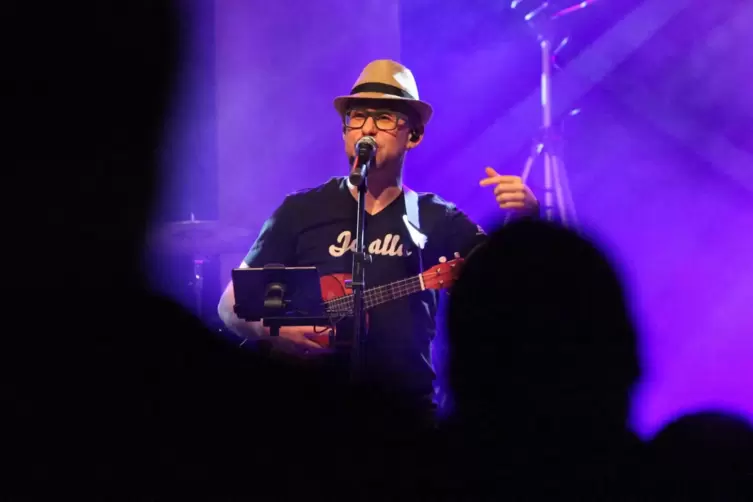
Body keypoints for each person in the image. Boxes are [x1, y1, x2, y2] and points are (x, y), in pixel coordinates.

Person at [218, 59, 539, 406]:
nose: (367, 129)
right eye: (357, 117)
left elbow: (504, 291)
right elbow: (230, 304)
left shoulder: (436, 217)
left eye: (384, 117)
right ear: (345, 131)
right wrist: (273, 331)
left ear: (412, 135)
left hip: (405, 414)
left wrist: (525, 220)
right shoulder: (300, 210)